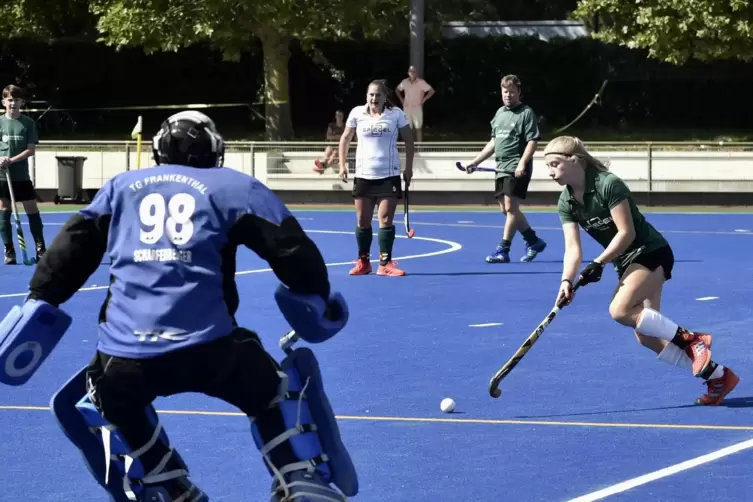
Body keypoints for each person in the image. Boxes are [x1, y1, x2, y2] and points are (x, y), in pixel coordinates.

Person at [0, 111, 358, 501]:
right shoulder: (236, 187)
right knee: (275, 389)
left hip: (125, 356)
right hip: (213, 349)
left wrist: (40, 299)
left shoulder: (121, 187)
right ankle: (300, 474)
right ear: (215, 150)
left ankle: (161, 483)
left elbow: (71, 249)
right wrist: (317, 296)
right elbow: (292, 251)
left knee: (106, 394)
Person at [546, 135, 739, 406]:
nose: (550, 172)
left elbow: (627, 233)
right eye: (548, 167)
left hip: (651, 251)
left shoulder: (607, 184)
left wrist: (599, 263)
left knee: (620, 310)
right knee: (646, 335)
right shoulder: (565, 202)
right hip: (626, 263)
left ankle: (692, 339)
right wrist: (566, 280)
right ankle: (718, 375)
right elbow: (573, 250)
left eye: (555, 164)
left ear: (575, 160)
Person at [464, 74, 546, 264]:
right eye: (505, 92)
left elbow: (533, 141)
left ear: (519, 92)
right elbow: (493, 142)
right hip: (500, 168)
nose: (508, 95)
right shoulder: (500, 113)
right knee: (506, 209)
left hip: (516, 166)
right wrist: (476, 161)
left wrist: (522, 163)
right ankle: (533, 241)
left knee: (510, 207)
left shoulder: (526, 113)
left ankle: (503, 249)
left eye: (511, 92)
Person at [338, 79, 414, 277]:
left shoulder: (396, 114)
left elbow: (408, 140)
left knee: (385, 219)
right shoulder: (357, 113)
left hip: (388, 175)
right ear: (366, 96)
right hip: (364, 175)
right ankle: (363, 262)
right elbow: (345, 138)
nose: (374, 98)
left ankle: (385, 263)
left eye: (378, 95)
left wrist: (408, 168)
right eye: (371, 95)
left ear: (384, 97)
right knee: (363, 220)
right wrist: (342, 164)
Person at [0, 84, 45, 264]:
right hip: (3, 176)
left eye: (17, 100)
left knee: (32, 210)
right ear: (4, 102)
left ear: (21, 103)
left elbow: (31, 150)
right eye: (10, 100)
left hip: (21, 176)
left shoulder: (28, 123)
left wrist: (12, 160)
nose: (13, 103)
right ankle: (9, 250)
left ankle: (40, 247)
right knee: (4, 211)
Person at [396, 66, 434, 143]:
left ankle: (420, 147)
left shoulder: (421, 82)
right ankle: (408, 147)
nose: (412, 73)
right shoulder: (404, 82)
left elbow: (431, 91)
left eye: (414, 71)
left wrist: (424, 100)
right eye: (410, 71)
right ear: (408, 73)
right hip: (407, 108)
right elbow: (397, 90)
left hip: (417, 108)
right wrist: (401, 99)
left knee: (418, 128)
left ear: (416, 73)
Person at [314, 109, 345, 173]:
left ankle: (323, 168)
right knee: (327, 152)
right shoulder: (331, 125)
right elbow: (328, 136)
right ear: (335, 116)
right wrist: (338, 136)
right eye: (337, 115)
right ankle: (322, 166)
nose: (339, 117)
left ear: (342, 117)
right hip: (332, 144)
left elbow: (345, 137)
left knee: (334, 154)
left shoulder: (345, 126)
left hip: (340, 145)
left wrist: (335, 136)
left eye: (340, 116)